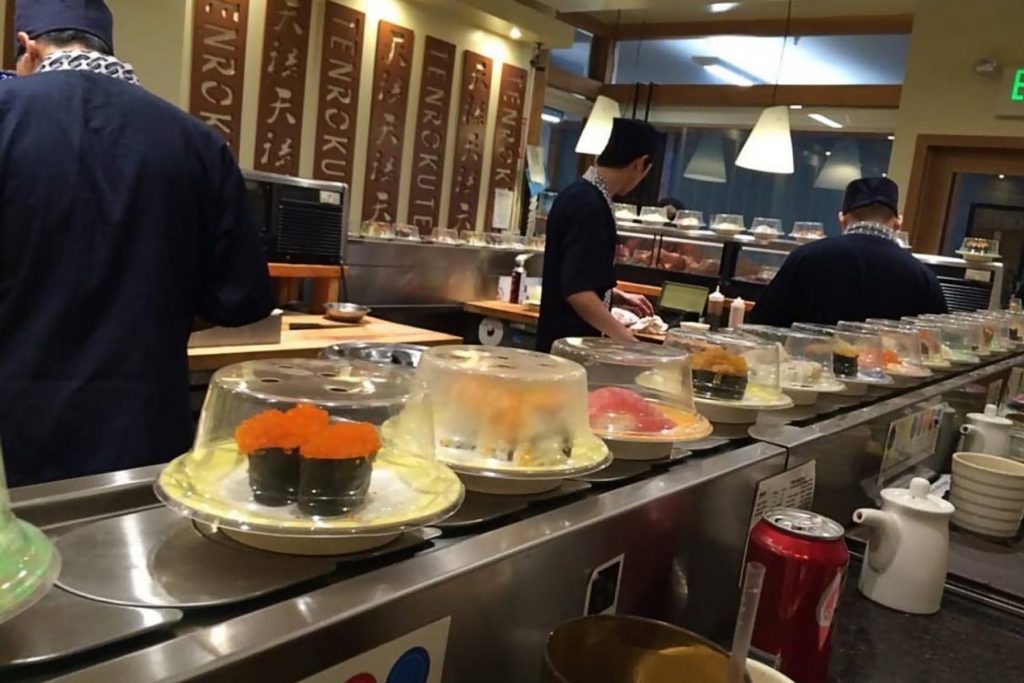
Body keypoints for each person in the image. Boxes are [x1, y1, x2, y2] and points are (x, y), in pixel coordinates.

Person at [0, 0, 273, 486]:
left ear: (27, 47)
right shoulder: (198, 143)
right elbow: (241, 299)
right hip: (143, 438)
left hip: (15, 444)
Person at [749, 177, 948, 328]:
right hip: (888, 380)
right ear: (898, 223)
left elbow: (762, 325)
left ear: (842, 219)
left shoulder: (806, 257)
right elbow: (934, 346)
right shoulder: (923, 276)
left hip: (805, 376)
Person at [536, 118, 658, 352]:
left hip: (558, 343)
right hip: (569, 349)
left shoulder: (578, 193)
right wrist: (628, 342)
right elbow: (578, 292)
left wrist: (616, 296)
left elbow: (574, 273)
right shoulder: (589, 204)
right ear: (640, 164)